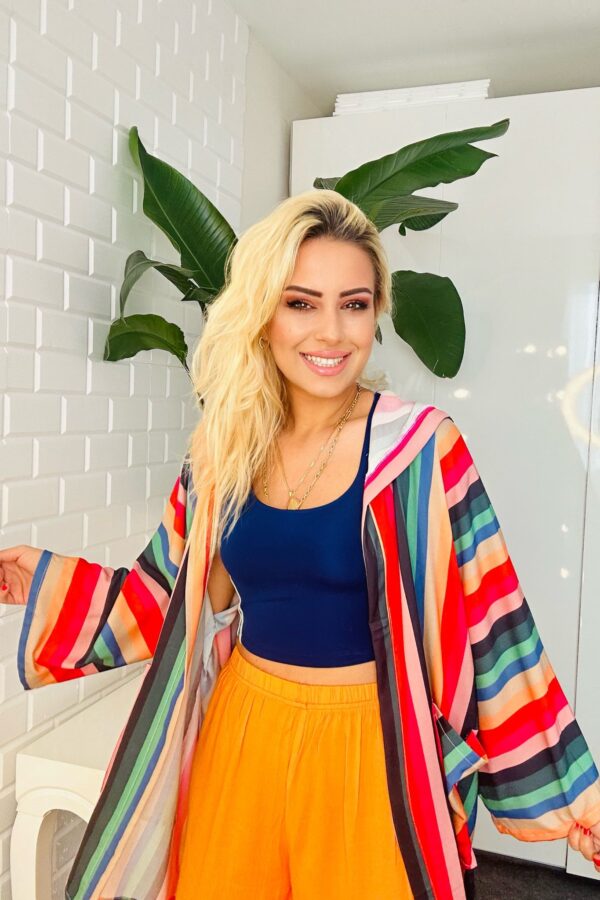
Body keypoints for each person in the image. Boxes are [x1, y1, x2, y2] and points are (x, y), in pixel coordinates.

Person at [1, 188, 600, 900]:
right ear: (264, 313)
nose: (331, 332)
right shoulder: (224, 449)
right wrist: (39, 579)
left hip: (372, 749)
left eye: (354, 304)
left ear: (375, 312)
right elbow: (170, 596)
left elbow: (494, 624)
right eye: (301, 303)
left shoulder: (418, 450)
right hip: (243, 731)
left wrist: (576, 798)